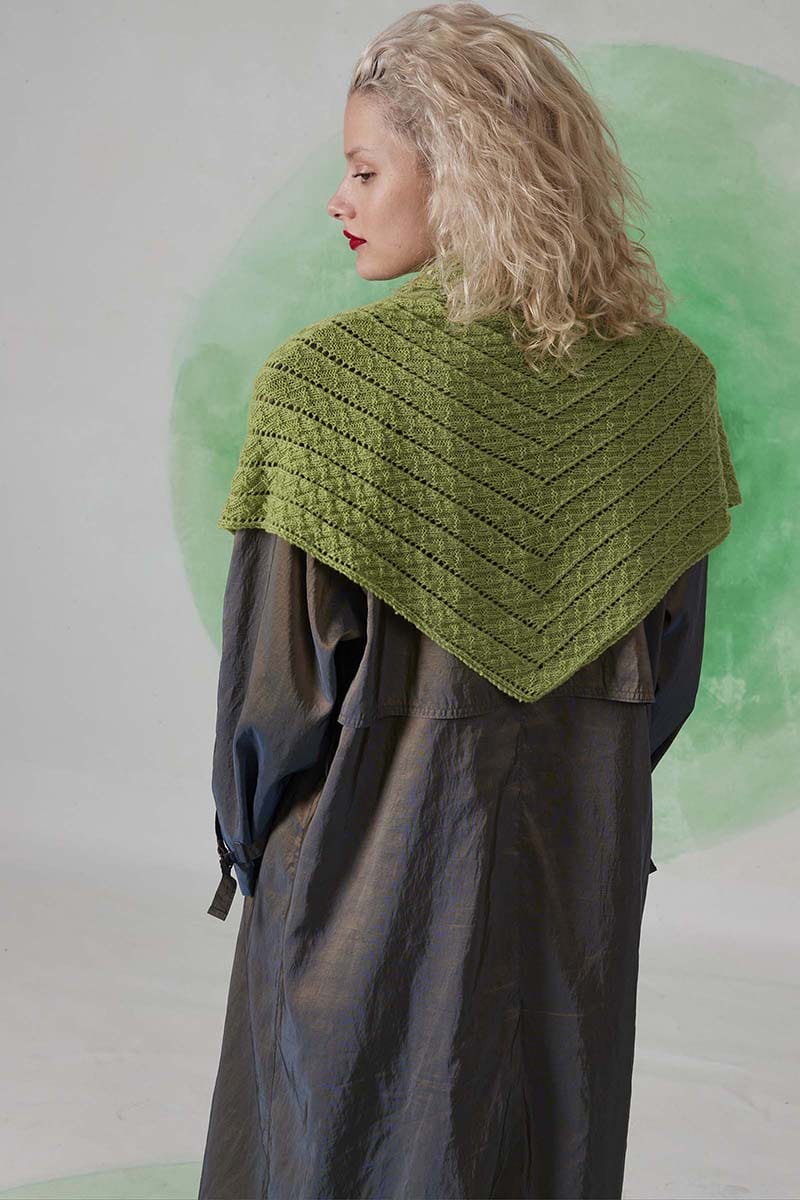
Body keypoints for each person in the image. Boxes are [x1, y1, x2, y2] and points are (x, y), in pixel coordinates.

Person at [198, 6, 742, 1198]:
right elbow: (669, 674)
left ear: (458, 173)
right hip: (575, 872)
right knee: (543, 1146)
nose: (338, 200)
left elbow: (276, 704)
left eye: (363, 170)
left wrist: (248, 842)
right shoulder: (666, 388)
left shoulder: (326, 389)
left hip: (361, 883)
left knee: (335, 1144)